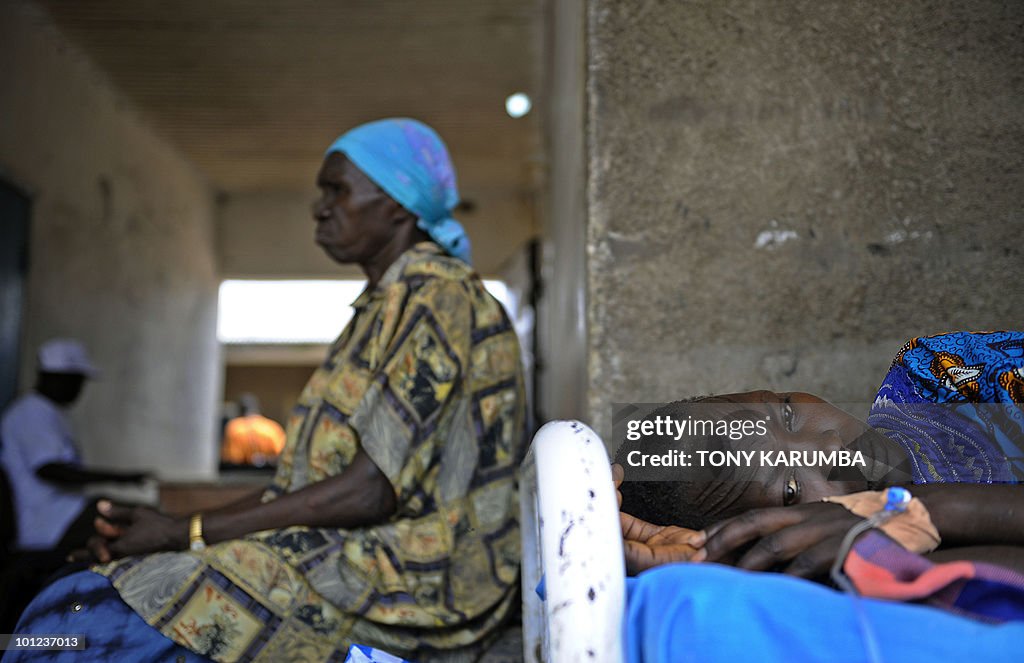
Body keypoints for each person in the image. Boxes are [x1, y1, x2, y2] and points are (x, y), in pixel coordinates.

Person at [8, 119, 526, 662]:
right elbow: (298, 488)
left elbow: (369, 491)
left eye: (338, 190)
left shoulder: (439, 298)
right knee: (85, 593)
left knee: (93, 619)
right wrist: (178, 532)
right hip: (360, 553)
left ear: (398, 205)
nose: (319, 207)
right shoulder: (382, 309)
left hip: (428, 576)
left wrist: (185, 532)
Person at [0, 338, 147, 555]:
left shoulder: (48, 411)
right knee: (139, 524)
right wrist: (118, 478)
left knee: (138, 517)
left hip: (63, 513)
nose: (79, 389)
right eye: (76, 381)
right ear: (58, 378)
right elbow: (50, 469)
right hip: (49, 522)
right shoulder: (32, 412)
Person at [220, 393, 286, 467]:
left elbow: (232, 458)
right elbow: (282, 455)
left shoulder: (235, 427)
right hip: (268, 473)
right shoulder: (272, 427)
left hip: (241, 473)